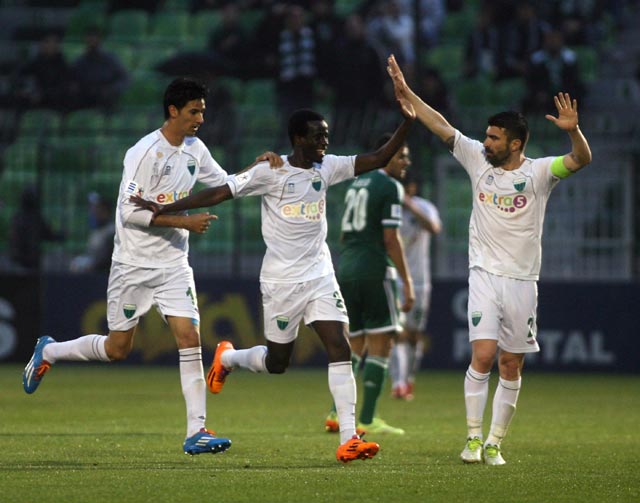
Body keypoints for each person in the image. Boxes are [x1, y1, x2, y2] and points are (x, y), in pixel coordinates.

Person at [131, 98, 416, 462]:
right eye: (317, 136)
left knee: (340, 346)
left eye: (326, 135)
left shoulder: (328, 167)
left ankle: (349, 437)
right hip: (281, 282)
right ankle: (228, 358)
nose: (325, 142)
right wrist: (166, 208)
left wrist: (407, 122)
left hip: (320, 276)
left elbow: (377, 158)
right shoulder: (271, 172)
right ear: (298, 139)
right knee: (278, 362)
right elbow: (220, 192)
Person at [22, 77, 276, 456]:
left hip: (173, 263)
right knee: (117, 349)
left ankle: (197, 431)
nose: (200, 119)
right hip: (133, 265)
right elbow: (129, 213)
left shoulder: (195, 150)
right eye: (194, 111)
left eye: (203, 111)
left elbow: (224, 184)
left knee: (189, 338)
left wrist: (257, 168)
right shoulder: (143, 153)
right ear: (173, 110)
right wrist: (184, 222)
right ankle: (51, 351)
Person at [387, 54, 592, 465]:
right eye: (486, 136)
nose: (486, 143)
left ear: (515, 144)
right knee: (482, 356)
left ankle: (496, 441)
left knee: (511, 364)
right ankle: (473, 439)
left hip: (522, 280)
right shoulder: (476, 160)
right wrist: (407, 93)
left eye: (494, 138)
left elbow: (581, 160)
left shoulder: (539, 173)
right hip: (483, 274)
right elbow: (442, 125)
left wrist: (574, 132)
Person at [325, 133, 415, 436]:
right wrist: (407, 281)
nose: (406, 162)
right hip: (375, 269)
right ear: (387, 154)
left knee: (355, 344)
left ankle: (337, 413)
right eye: (401, 155)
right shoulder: (390, 186)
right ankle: (366, 418)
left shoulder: (357, 183)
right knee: (382, 343)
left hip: (347, 268)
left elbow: (342, 233)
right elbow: (391, 238)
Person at [389, 170, 441, 401]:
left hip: (419, 281)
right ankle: (398, 383)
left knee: (413, 334)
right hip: (394, 278)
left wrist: (410, 206)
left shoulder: (425, 207)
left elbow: (434, 228)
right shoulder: (389, 208)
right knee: (396, 331)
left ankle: (409, 378)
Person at [70, 26, 130, 111]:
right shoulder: (80, 62)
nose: (92, 41)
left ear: (100, 40)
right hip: (86, 96)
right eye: (90, 38)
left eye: (94, 38)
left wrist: (112, 89)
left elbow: (124, 78)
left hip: (106, 96)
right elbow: (72, 79)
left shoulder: (110, 60)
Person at [9, 185, 64, 271]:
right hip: (29, 260)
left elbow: (47, 234)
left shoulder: (17, 217)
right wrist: (61, 235)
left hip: (18, 259)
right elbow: (48, 235)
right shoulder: (35, 218)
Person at [69, 192, 116, 273]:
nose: (94, 212)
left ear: (106, 211)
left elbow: (104, 259)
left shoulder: (111, 231)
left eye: (98, 209)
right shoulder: (97, 230)